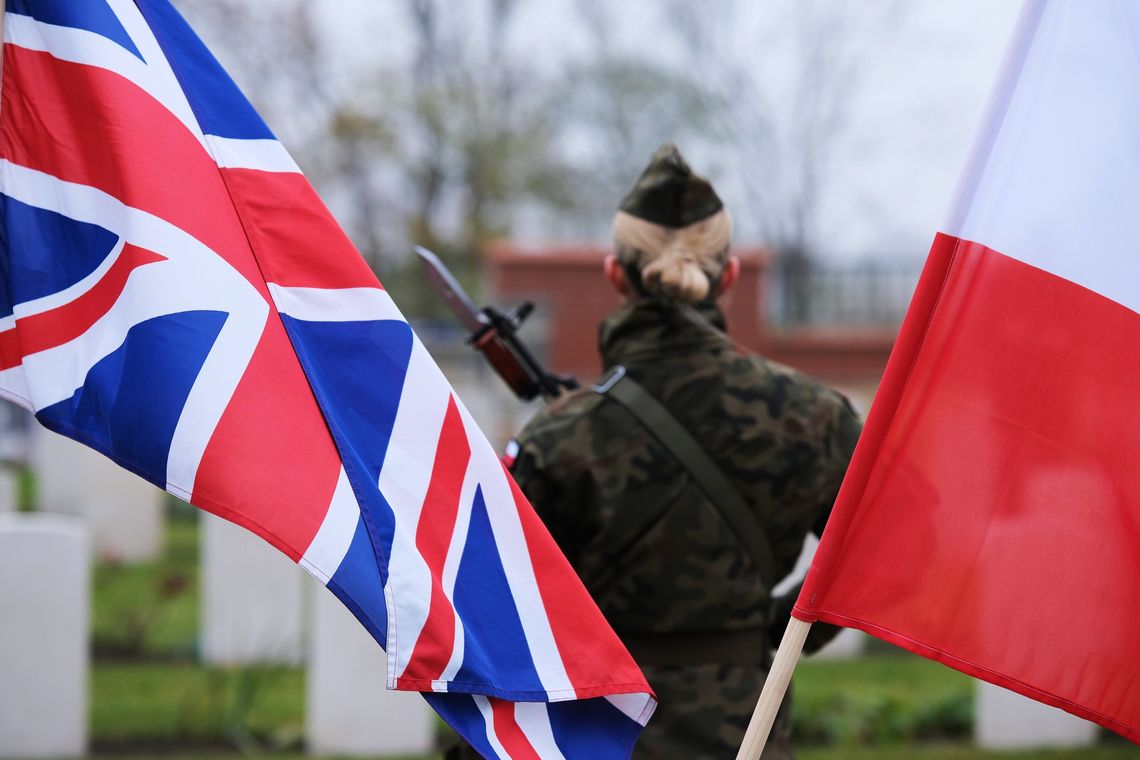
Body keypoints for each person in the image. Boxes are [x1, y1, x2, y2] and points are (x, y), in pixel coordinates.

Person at [501, 144, 863, 759]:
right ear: (730, 275)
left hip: (601, 732)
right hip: (745, 734)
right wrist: (776, 631)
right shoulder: (816, 415)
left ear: (616, 273)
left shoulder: (558, 436)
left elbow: (501, 604)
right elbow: (877, 556)